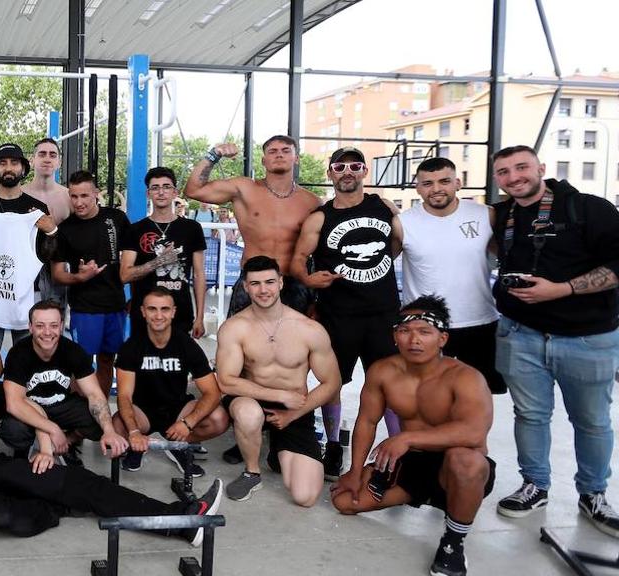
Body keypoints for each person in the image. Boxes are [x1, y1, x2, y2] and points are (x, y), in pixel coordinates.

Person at [0, 315, 223, 545]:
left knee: (84, 482)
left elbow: (25, 404)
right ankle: (59, 505)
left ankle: (180, 520)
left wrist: (45, 439)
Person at [488, 145, 619, 536]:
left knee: (592, 421)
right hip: (520, 332)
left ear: (541, 168)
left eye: (522, 167)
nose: (514, 177)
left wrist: (563, 289)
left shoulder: (588, 209)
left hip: (587, 337)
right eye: (504, 172)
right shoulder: (502, 214)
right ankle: (535, 485)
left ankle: (594, 493)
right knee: (530, 416)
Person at [331, 296, 496, 576]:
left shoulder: (466, 377)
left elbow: (474, 433)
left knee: (465, 461)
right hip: (412, 465)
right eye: (406, 331)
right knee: (345, 502)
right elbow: (367, 421)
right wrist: (355, 471)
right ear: (395, 336)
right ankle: (423, 495)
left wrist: (407, 437)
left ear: (442, 338)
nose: (414, 340)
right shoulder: (383, 371)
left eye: (424, 332)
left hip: (457, 467)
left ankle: (453, 542)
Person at [292, 147, 404, 481]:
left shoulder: (383, 207)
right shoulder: (320, 217)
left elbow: (397, 245)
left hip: (383, 312)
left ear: (365, 171)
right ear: (330, 174)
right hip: (338, 313)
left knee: (389, 385)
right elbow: (299, 258)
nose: (347, 172)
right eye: (339, 167)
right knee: (333, 382)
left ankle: (396, 451)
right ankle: (332, 445)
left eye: (354, 166)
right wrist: (307, 278)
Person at [216, 257, 341, 505]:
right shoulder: (234, 327)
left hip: (295, 409)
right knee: (248, 413)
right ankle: (252, 472)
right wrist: (279, 395)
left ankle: (277, 451)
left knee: (305, 497)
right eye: (255, 283)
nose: (264, 290)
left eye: (270, 282)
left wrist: (293, 413)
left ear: (281, 283)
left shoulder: (309, 329)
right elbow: (227, 381)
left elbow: (332, 382)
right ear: (245, 287)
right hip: (252, 400)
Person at [398, 157, 505, 393]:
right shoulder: (402, 223)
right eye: (427, 183)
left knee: (477, 398)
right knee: (423, 396)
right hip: (424, 325)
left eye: (444, 181)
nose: (436, 189)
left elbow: (510, 257)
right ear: (417, 187)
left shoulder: (485, 215)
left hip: (479, 321)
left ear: (457, 183)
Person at [184, 135, 320, 315]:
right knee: (242, 340)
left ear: (296, 158)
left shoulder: (311, 202)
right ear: (264, 160)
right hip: (252, 279)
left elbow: (322, 250)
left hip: (292, 282)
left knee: (293, 342)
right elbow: (193, 190)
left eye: (286, 151)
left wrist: (316, 295)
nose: (279, 155)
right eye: (273, 151)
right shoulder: (244, 189)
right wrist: (214, 154)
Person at [113, 287, 229, 477]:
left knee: (219, 418)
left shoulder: (186, 345)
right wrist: (133, 431)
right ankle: (137, 447)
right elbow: (124, 396)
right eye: (152, 309)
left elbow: (212, 393)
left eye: (164, 309)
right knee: (118, 426)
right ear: (143, 311)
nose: (158, 315)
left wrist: (187, 424)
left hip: (178, 409)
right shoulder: (131, 347)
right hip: (142, 411)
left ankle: (178, 445)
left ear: (173, 312)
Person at [0, 301, 127, 470]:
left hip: (61, 405)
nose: (47, 332)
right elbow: (14, 403)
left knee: (100, 422)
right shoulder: (18, 353)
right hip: (29, 407)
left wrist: (109, 430)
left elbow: (95, 395)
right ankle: (23, 449)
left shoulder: (73, 351)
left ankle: (67, 443)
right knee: (12, 430)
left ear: (61, 327)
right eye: (40, 325)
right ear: (30, 327)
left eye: (53, 325)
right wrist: (52, 429)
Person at [0, 143, 58, 345]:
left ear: (23, 169)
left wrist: (52, 232)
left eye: (14, 163)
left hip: (27, 294)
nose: (8, 168)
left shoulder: (37, 209)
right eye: (2, 163)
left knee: (28, 356)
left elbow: (45, 256)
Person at [52, 170, 129, 392]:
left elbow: (132, 260)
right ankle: (80, 419)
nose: (79, 202)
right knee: (82, 364)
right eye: (74, 196)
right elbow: (57, 274)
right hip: (85, 307)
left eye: (84, 196)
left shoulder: (116, 219)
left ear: (96, 194)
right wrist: (79, 276)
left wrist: (136, 295)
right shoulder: (66, 229)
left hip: (115, 304)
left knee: (107, 361)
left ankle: (101, 415)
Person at [121, 167, 208, 339]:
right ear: (148, 194)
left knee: (179, 364)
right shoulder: (135, 230)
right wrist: (158, 261)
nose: (161, 192)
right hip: (145, 314)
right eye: (155, 188)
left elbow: (199, 275)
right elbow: (125, 275)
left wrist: (200, 317)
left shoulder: (192, 228)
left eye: (166, 187)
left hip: (180, 312)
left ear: (175, 192)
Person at [22, 138, 71, 224]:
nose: (47, 160)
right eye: (42, 154)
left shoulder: (69, 197)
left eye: (53, 155)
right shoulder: (19, 194)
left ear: (59, 163)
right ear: (32, 160)